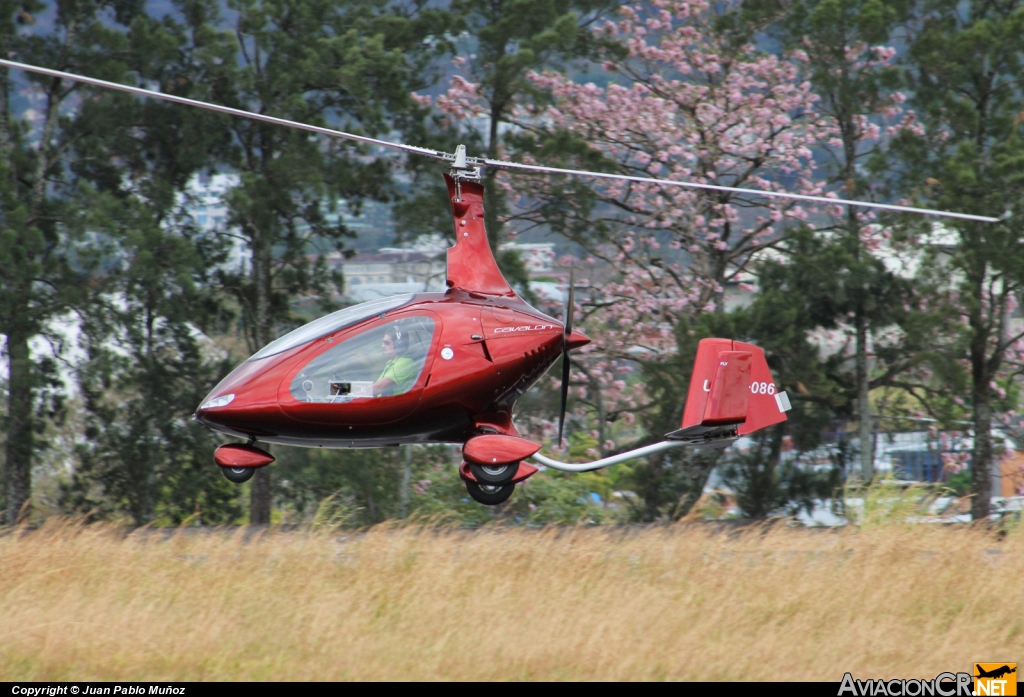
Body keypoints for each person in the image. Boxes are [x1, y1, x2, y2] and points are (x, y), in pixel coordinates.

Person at [373, 325, 417, 396]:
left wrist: (350, 389)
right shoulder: (391, 362)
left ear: (399, 345)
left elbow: (377, 388)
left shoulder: (405, 363)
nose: (382, 346)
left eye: (386, 343)